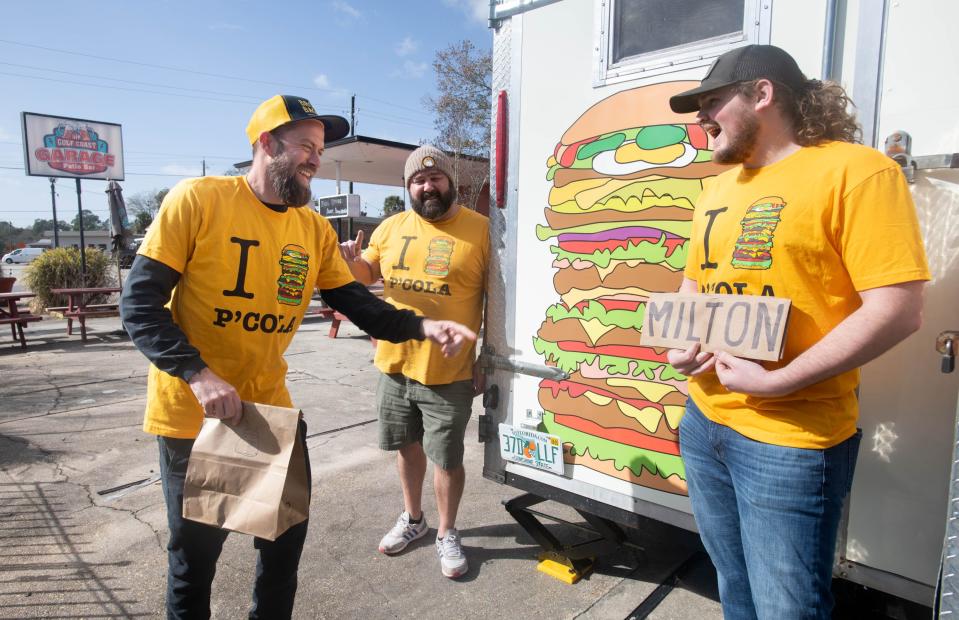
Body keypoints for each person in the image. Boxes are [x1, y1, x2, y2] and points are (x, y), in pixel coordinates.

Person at [119, 95, 475, 620]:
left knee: (283, 549)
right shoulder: (199, 199)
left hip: (271, 414)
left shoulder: (309, 228)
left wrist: (423, 325)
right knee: (195, 560)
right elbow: (140, 305)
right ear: (266, 144)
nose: (315, 158)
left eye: (320, 149)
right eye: (306, 147)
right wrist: (197, 374)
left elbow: (356, 304)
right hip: (195, 414)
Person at [665, 45, 930, 619]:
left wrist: (780, 380)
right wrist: (680, 342)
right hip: (704, 421)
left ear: (762, 95)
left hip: (790, 439)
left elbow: (898, 308)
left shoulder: (856, 171)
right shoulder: (717, 188)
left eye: (712, 101)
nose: (701, 118)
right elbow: (696, 284)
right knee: (733, 589)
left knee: (788, 609)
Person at [338, 145, 488, 579]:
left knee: (446, 457)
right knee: (406, 445)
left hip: (450, 367)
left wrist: (488, 357)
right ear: (408, 187)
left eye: (435, 178)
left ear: (450, 182)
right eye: (418, 181)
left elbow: (496, 300)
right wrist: (350, 265)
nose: (427, 186)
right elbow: (366, 275)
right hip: (394, 363)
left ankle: (446, 531)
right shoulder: (389, 227)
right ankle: (414, 519)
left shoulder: (479, 231)